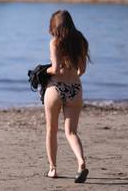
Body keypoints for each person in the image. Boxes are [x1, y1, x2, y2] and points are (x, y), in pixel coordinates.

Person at [44, 10, 90, 183]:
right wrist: (72, 75)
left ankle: (53, 169)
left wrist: (43, 70)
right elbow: (82, 70)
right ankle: (81, 162)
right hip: (75, 89)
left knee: (51, 129)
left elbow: (55, 69)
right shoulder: (81, 41)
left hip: (56, 88)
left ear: (55, 25)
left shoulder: (55, 42)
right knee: (71, 132)